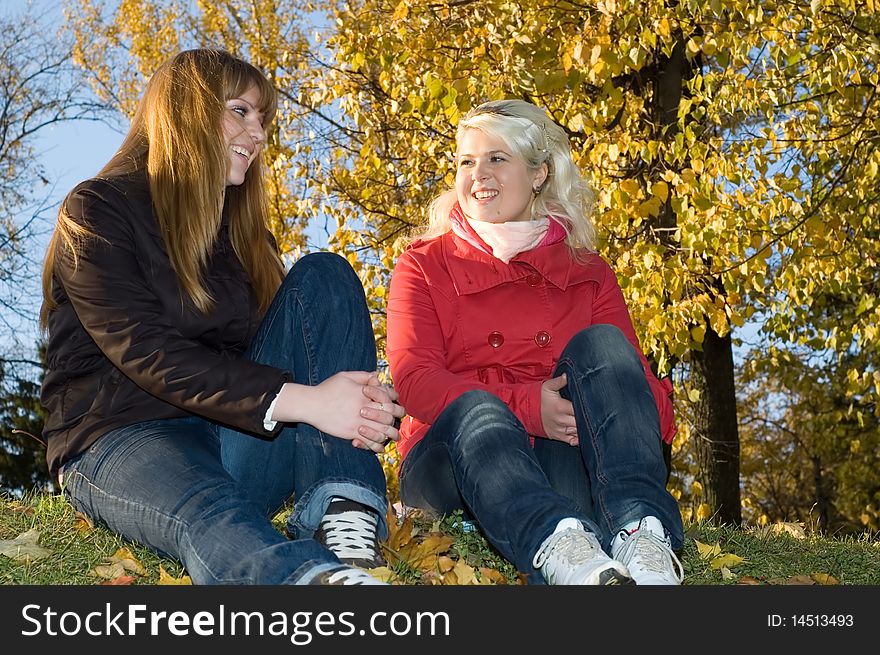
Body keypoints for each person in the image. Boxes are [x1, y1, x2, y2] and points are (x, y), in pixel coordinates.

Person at [39, 48, 406, 586]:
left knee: (324, 276)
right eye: (241, 111)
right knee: (209, 510)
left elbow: (290, 353)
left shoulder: (247, 244)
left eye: (263, 120)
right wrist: (309, 401)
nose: (258, 134)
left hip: (236, 436)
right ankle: (315, 585)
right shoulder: (97, 210)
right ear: (186, 113)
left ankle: (345, 512)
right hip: (121, 433)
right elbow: (145, 351)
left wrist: (363, 406)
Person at [386, 99, 685, 586]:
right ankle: (556, 540)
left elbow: (630, 378)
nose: (478, 174)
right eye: (466, 161)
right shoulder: (424, 264)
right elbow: (416, 381)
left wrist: (619, 408)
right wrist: (528, 406)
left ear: (539, 173)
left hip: (562, 452)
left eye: (496, 158)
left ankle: (641, 535)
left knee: (605, 345)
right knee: (477, 411)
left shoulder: (588, 271)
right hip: (456, 457)